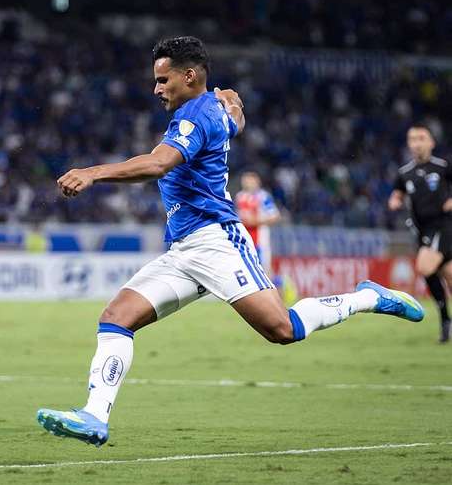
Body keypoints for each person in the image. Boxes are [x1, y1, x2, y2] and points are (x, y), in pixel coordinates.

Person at [36, 36, 424, 446]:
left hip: (217, 241)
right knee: (116, 317)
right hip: (184, 250)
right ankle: (94, 417)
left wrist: (93, 173)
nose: (156, 89)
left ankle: (369, 297)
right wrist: (235, 112)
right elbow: (232, 124)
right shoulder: (211, 111)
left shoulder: (194, 117)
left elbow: (158, 163)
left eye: (163, 79)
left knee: (283, 329)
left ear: (189, 76)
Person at [388, 124, 452, 343]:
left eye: (421, 138)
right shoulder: (405, 173)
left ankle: (446, 322)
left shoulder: (443, 167)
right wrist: (395, 201)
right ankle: (446, 322)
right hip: (423, 231)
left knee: (425, 266)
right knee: (448, 277)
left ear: (431, 142)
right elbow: (396, 194)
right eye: (412, 139)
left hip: (444, 227)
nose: (416, 143)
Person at [235, 171, 280, 274]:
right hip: (244, 239)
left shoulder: (263, 196)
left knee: (264, 270)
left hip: (260, 240)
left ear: (256, 181)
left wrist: (255, 221)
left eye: (249, 180)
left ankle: (276, 287)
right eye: (244, 180)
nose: (246, 183)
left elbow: (275, 216)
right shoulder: (240, 196)